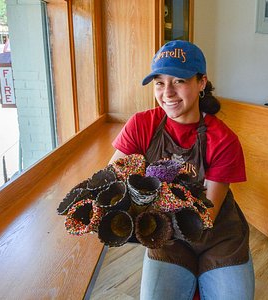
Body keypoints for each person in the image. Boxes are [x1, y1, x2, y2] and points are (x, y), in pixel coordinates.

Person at [109, 40, 255, 300]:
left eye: (179, 81)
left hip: (218, 238)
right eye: (160, 82)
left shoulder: (223, 139)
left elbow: (206, 215)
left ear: (201, 83)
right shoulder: (141, 125)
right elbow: (112, 180)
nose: (167, 92)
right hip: (166, 238)